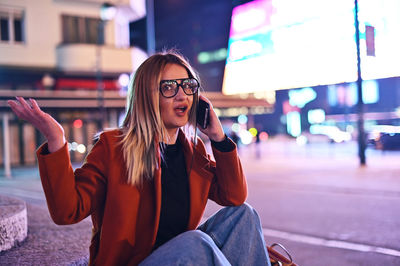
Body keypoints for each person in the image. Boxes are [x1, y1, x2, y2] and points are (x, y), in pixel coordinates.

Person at [8, 51, 270, 266]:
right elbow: (67, 211)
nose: (182, 95)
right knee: (195, 242)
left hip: (181, 257)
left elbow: (234, 196)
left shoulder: (194, 150)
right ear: (147, 96)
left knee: (244, 216)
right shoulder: (114, 148)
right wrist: (56, 142)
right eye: (168, 87)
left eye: (188, 86)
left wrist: (218, 137)